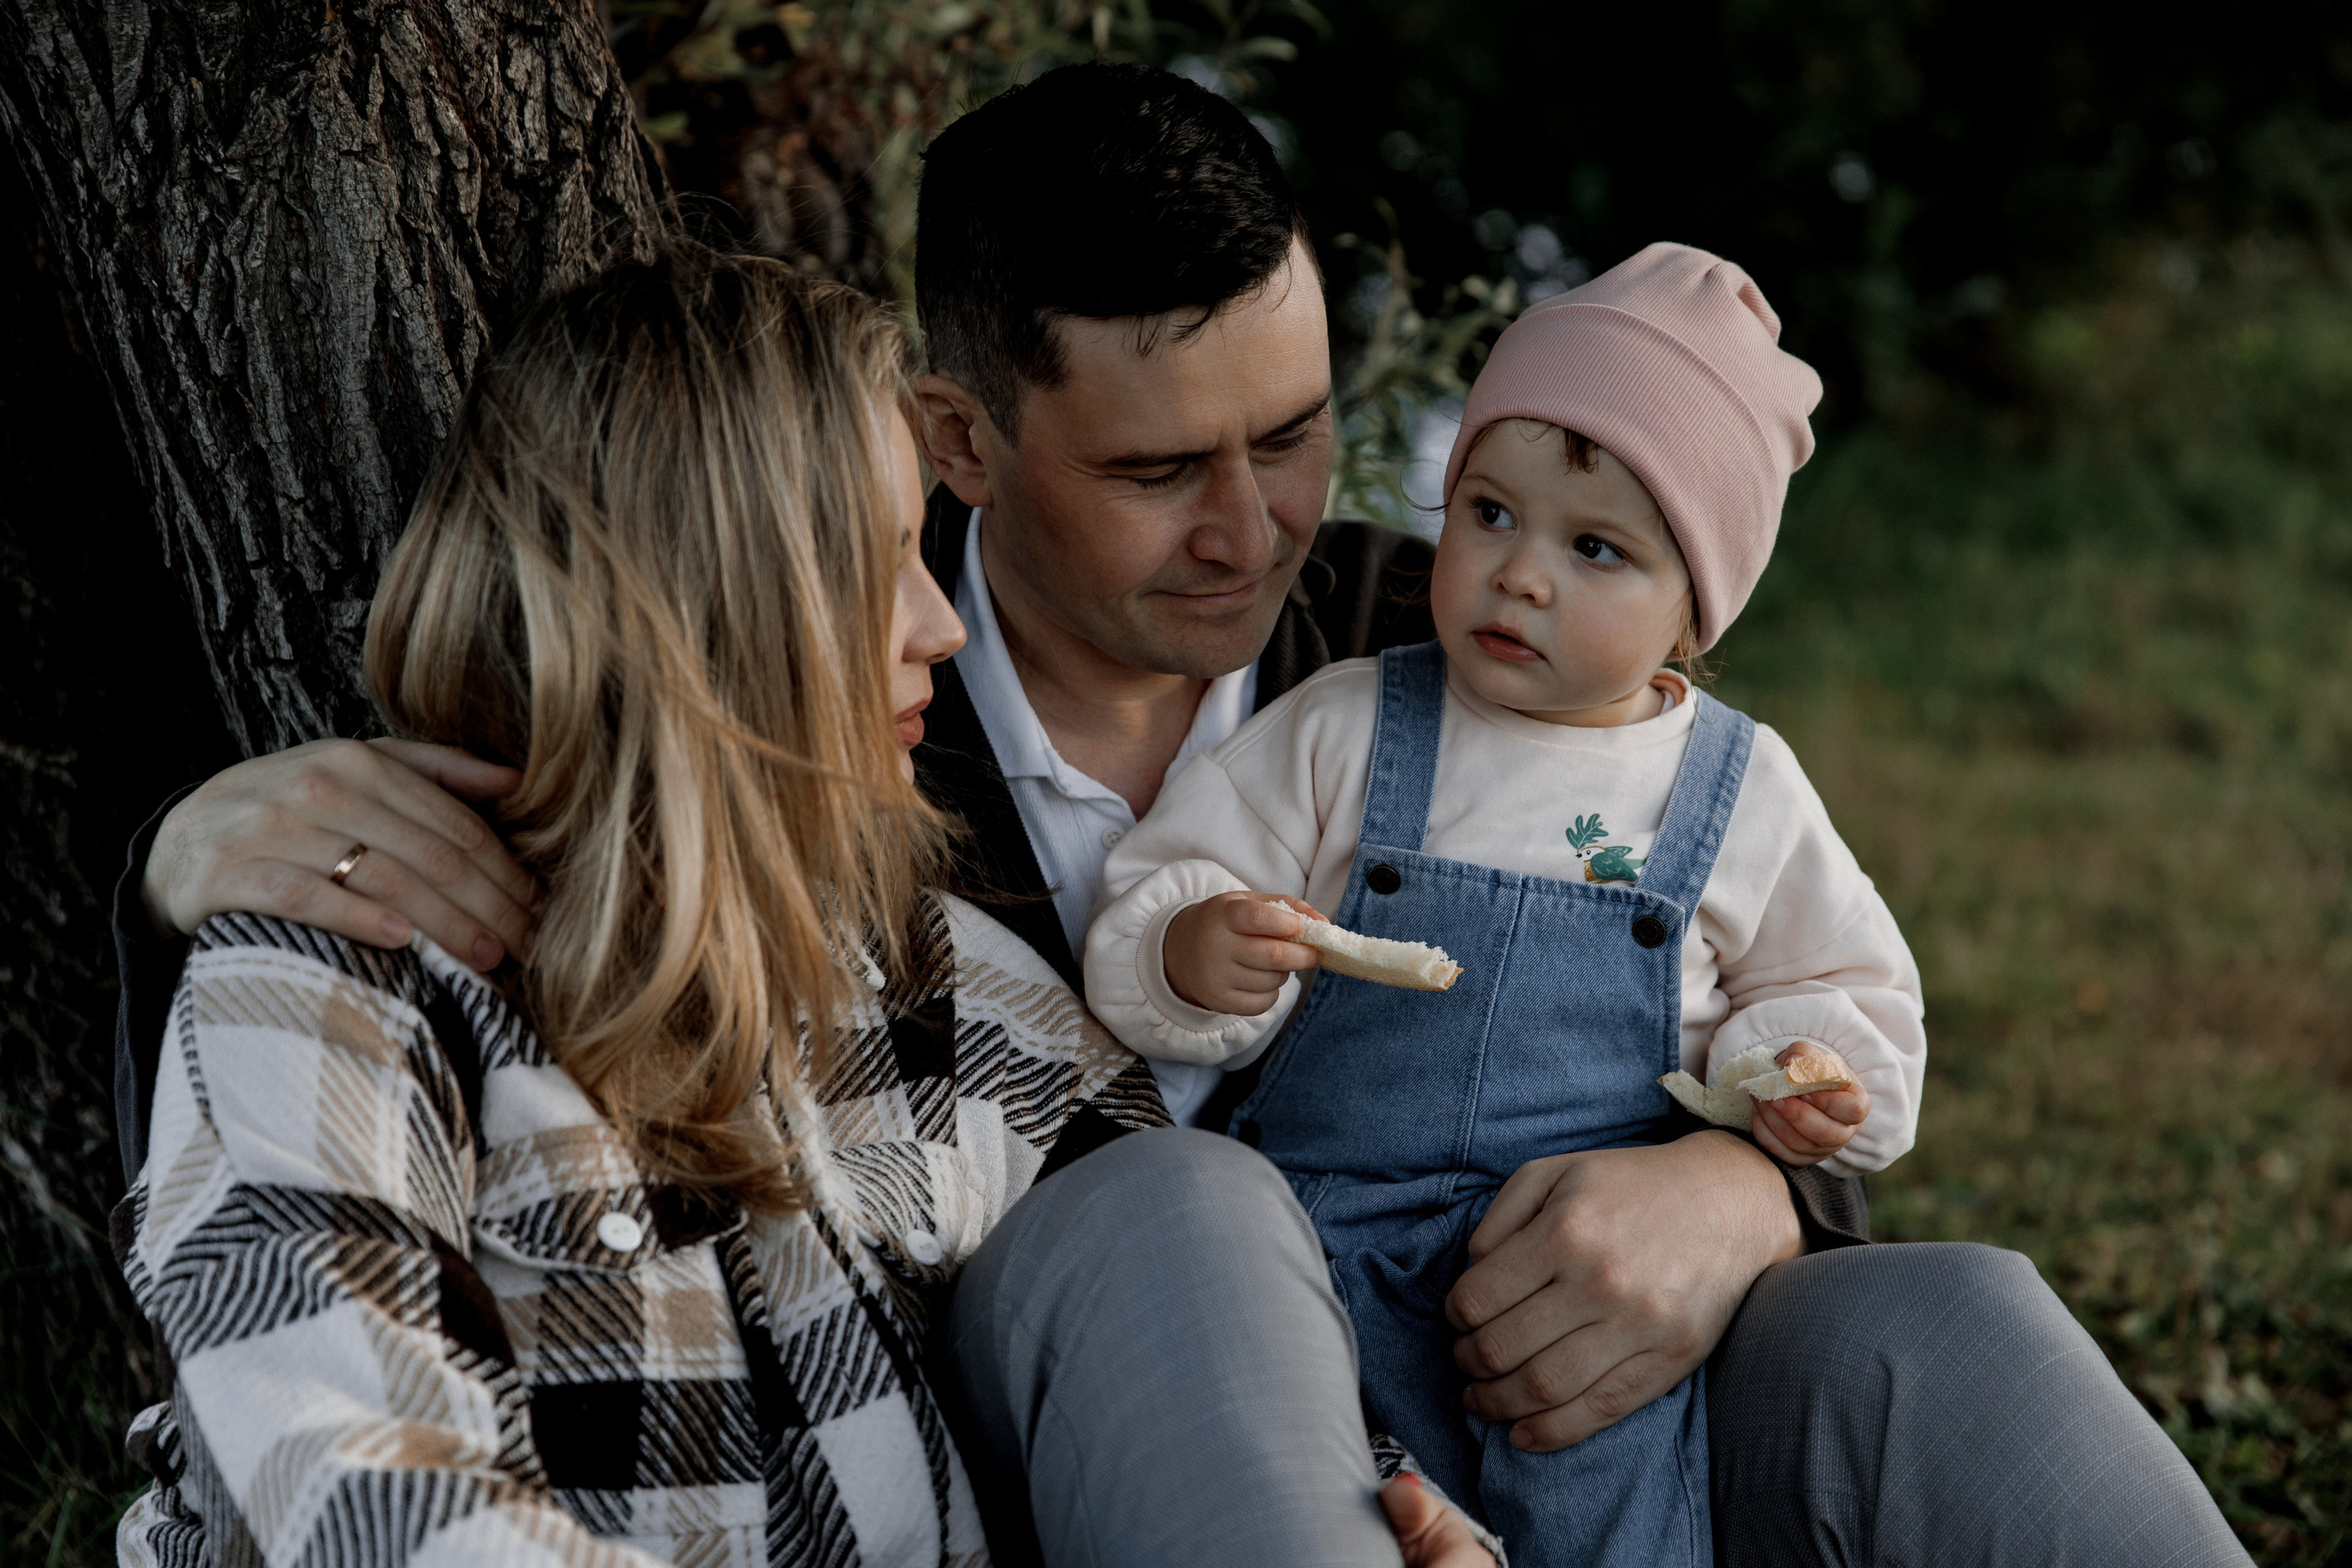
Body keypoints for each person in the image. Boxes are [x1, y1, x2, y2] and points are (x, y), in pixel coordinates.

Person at [113, 62, 2252, 1567]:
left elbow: (1763, 978)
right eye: (1156, 473)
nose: (1257, 535)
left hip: (1518, 1394)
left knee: (1944, 1322)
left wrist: (1746, 1195)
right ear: (957, 441)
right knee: (1195, 1216)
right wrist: (189, 855)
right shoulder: (833, 784)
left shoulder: (1442, 649)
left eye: (1302, 435)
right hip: (1100, 1454)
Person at [111, 245, 1492, 1567]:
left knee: (1190, 1194)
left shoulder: (925, 965)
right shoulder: (336, 988)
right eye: (878, 562)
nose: (939, 624)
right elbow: (362, 1505)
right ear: (711, 608)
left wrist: (1384, 1502)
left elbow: (1198, 1305)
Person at [1082, 243, 1924, 1565]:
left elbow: (1846, 989)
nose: (1521, 572)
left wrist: (1792, 1068)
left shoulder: (1738, 790)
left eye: (1596, 548)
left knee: (1615, 1516)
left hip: (1590, 1296)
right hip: (1324, 1254)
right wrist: (1196, 954)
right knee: (1341, 1495)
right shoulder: (1352, 724)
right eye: (1487, 512)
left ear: (1693, 616)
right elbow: (1166, 881)